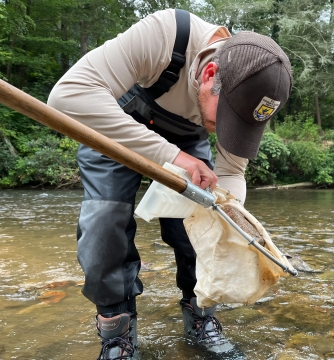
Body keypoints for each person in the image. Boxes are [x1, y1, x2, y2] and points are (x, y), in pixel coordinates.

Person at [47, 8, 292, 360]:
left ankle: (200, 316)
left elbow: (231, 174)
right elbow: (68, 97)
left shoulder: (252, 96)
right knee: (104, 227)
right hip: (115, 122)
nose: (227, 133)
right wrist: (172, 155)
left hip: (185, 139)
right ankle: (116, 332)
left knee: (206, 226)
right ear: (210, 73)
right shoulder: (164, 36)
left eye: (241, 126)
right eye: (225, 120)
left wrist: (230, 216)